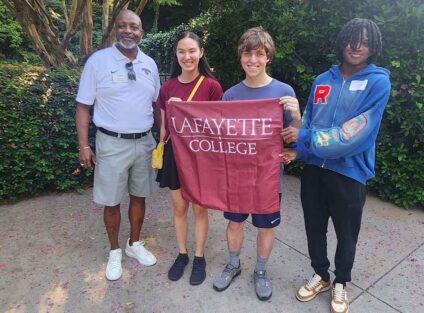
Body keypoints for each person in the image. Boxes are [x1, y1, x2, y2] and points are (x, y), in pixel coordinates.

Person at [280, 18, 391, 313]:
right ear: (342, 41)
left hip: (349, 173)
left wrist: (304, 136)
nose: (357, 47)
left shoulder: (378, 81)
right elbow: (311, 120)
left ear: (373, 47)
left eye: (365, 43)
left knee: (346, 233)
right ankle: (321, 274)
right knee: (314, 228)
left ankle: (342, 281)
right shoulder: (322, 80)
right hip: (315, 170)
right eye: (352, 40)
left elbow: (354, 134)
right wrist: (298, 151)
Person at [212, 27, 301, 301]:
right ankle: (233, 264)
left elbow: (294, 137)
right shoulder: (230, 96)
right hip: (236, 177)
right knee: (234, 224)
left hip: (267, 177)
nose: (253, 60)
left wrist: (297, 118)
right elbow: (217, 137)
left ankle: (260, 272)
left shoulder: (283, 92)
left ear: (268, 57)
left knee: (266, 227)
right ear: (240, 56)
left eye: (259, 54)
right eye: (248, 53)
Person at [75, 10, 160, 281]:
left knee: (140, 195)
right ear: (115, 30)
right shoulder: (98, 62)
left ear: (141, 32)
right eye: (122, 26)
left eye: (133, 27)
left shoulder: (150, 63)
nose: (128, 31)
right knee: (111, 200)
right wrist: (84, 146)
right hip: (111, 142)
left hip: (145, 141)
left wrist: (164, 139)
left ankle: (134, 244)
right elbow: (83, 106)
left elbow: (157, 106)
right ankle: (114, 251)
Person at [156, 31, 223, 285]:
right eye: (182, 51)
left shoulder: (212, 86)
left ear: (201, 53)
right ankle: (182, 254)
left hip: (202, 156)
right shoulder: (166, 88)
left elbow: (219, 125)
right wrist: (160, 150)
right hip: (175, 153)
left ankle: (199, 257)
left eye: (192, 51)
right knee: (179, 208)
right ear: (176, 54)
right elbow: (163, 129)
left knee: (200, 208)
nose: (187, 56)